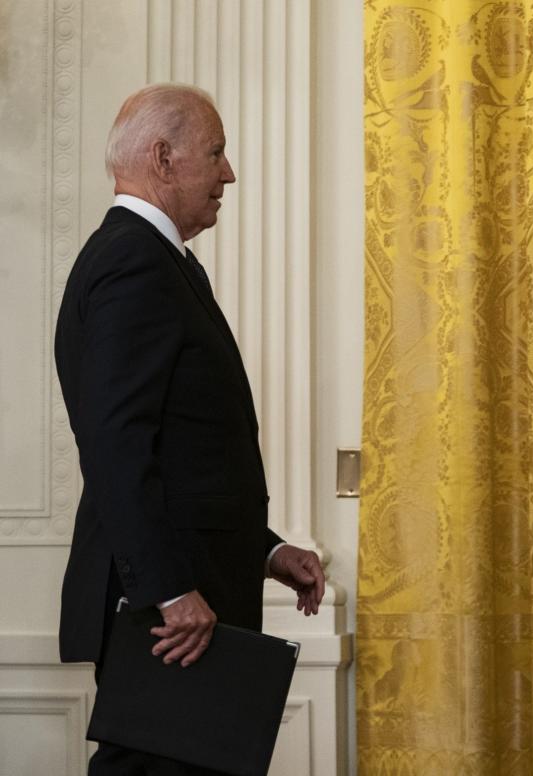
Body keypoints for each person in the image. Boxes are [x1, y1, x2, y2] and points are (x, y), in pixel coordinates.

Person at [55, 83, 326, 774]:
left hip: (185, 597)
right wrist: (170, 591)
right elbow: (117, 444)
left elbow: (181, 456)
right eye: (216, 152)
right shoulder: (132, 262)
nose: (228, 172)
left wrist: (264, 551)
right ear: (163, 158)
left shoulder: (156, 261)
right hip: (169, 614)